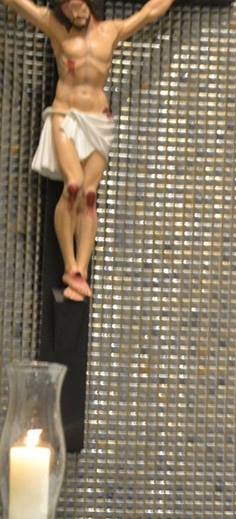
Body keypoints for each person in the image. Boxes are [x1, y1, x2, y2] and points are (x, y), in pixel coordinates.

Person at [1, 0, 174, 301]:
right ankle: (69, 265)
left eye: (78, 5)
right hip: (65, 115)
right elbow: (20, 4)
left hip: (98, 119)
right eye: (67, 8)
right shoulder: (56, 28)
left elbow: (149, 13)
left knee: (90, 195)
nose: (74, 13)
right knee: (73, 186)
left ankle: (80, 271)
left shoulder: (111, 31)